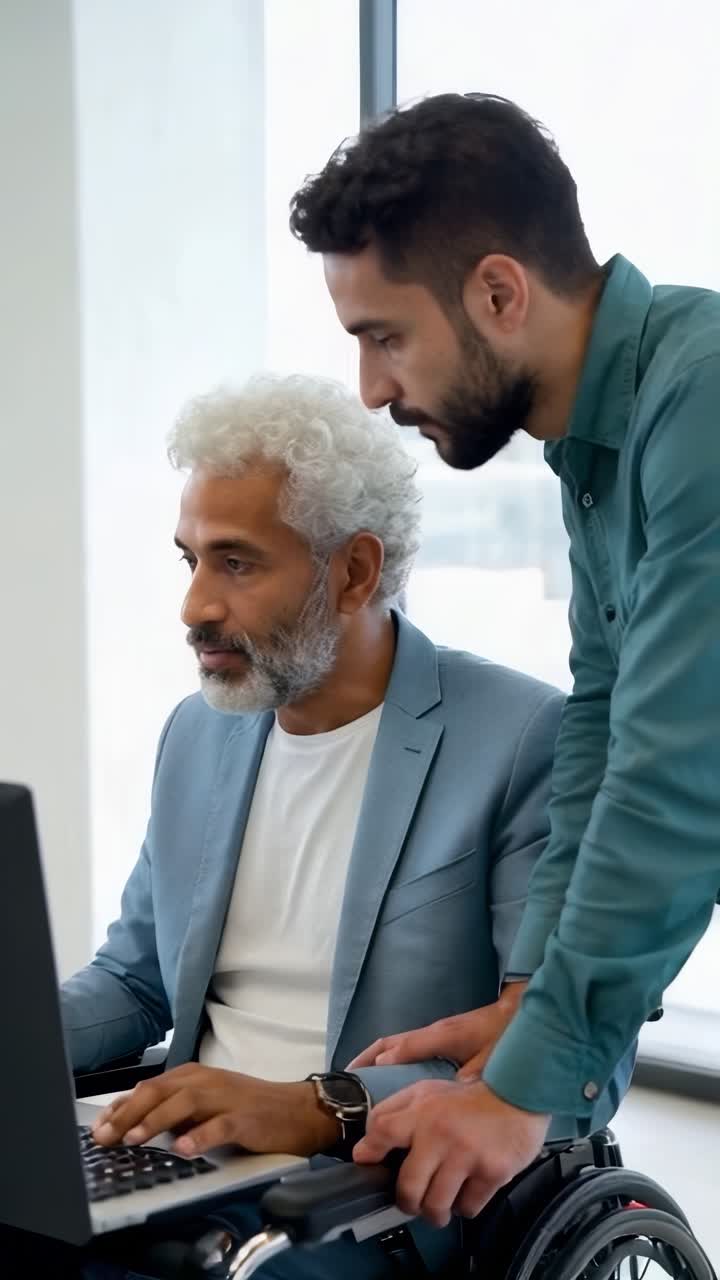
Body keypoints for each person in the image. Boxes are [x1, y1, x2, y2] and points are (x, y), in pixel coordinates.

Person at [19, 371, 626, 1280]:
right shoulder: (199, 732)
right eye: (190, 560)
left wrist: (314, 1107)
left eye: (237, 562)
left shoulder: (523, 738)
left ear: (355, 569)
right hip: (185, 1165)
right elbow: (136, 983)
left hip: (369, 1195)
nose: (194, 609)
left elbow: (566, 1066)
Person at [289, 91, 720, 1225]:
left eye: (384, 336)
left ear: (497, 292)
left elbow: (678, 772)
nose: (373, 390)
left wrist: (535, 1079)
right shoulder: (597, 441)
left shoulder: (704, 397)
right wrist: (532, 1001)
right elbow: (605, 724)